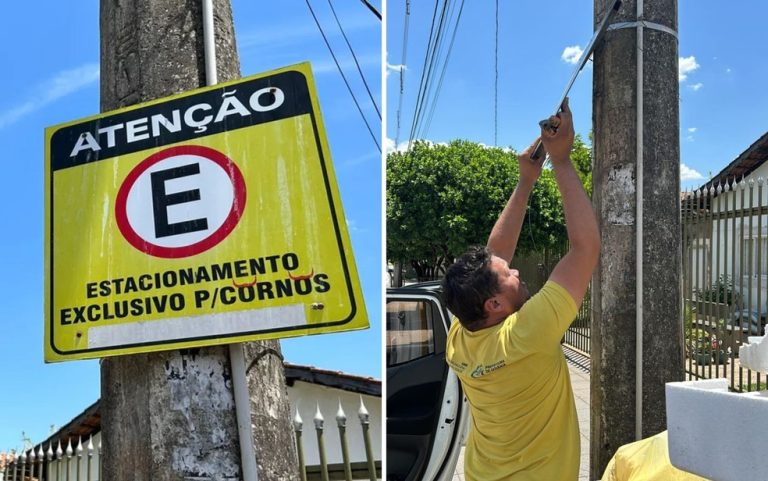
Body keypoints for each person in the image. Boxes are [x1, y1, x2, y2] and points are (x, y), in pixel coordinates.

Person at [442, 98, 600, 480]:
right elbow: (586, 247)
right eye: (509, 274)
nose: (515, 270)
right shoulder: (526, 333)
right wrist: (562, 161)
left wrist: (526, 180)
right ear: (495, 303)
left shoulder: (461, 336)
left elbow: (493, 256)